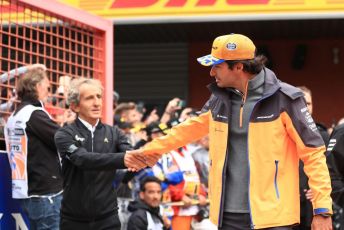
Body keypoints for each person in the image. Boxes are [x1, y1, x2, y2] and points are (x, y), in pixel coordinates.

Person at [129, 33, 333, 229]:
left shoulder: (286, 99)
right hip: (226, 216)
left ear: (238, 67)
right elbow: (188, 129)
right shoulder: (219, 99)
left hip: (274, 218)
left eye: (216, 66)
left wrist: (322, 210)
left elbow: (314, 154)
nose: (211, 73)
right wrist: (148, 151)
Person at [54, 78, 146, 230]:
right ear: (75, 106)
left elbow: (131, 154)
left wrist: (148, 153)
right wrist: (124, 159)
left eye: (98, 97)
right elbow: (82, 159)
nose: (97, 103)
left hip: (108, 218)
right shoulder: (64, 134)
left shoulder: (114, 133)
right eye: (89, 98)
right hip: (73, 220)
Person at [4, 65, 63, 230]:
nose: (49, 92)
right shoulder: (34, 114)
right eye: (48, 87)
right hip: (46, 194)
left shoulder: (15, 116)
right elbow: (62, 139)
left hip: (29, 191)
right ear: (37, 86)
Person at [295, 86, 331, 230]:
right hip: (287, 205)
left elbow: (332, 171)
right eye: (301, 102)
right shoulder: (282, 133)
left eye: (308, 103)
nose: (305, 107)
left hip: (314, 205)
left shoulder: (322, 135)